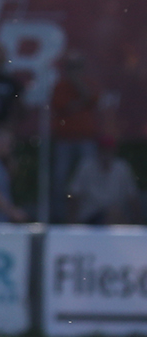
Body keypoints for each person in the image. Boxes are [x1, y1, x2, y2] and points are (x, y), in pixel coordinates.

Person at [50, 52, 101, 224]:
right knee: (60, 178)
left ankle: (89, 215)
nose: (74, 71)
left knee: (88, 177)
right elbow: (63, 107)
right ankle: (60, 217)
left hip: (86, 138)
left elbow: (92, 99)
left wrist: (78, 86)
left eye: (77, 67)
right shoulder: (60, 86)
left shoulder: (89, 84)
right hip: (65, 139)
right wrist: (81, 103)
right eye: (71, 67)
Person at [67, 136, 141, 225]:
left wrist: (139, 224)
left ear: (114, 151)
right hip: (90, 218)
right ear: (98, 150)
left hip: (117, 217)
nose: (106, 153)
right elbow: (74, 195)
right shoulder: (86, 167)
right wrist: (71, 224)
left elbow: (132, 197)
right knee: (114, 214)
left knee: (115, 214)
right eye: (103, 150)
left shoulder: (122, 168)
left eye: (109, 149)